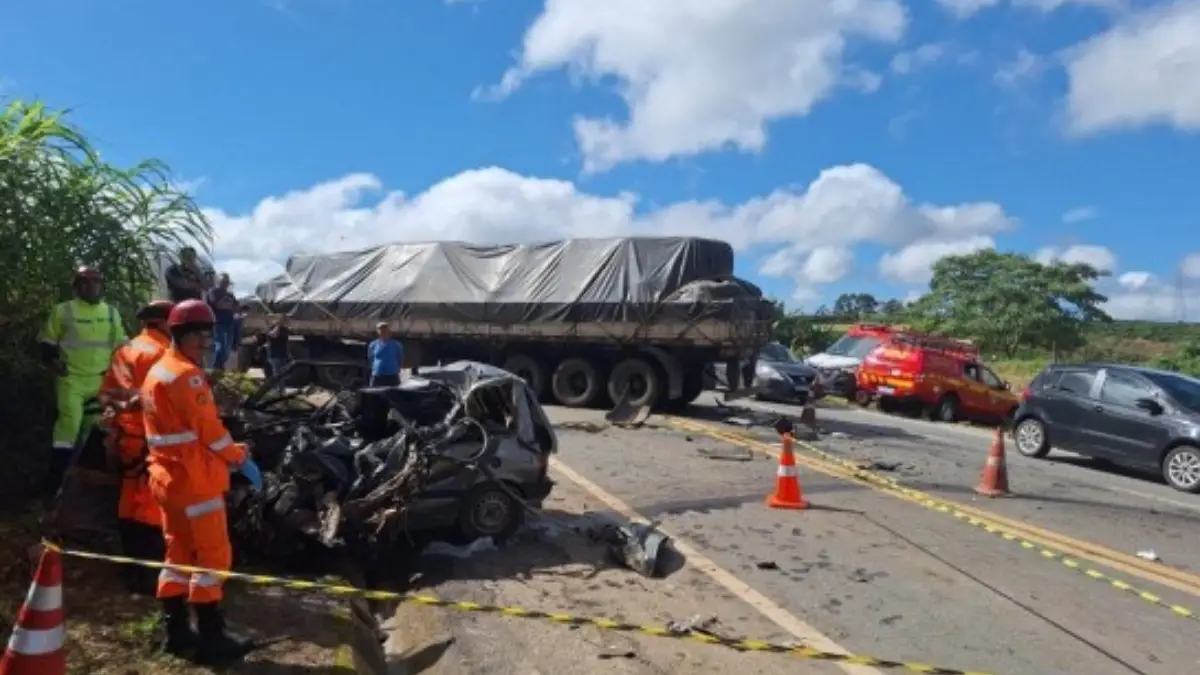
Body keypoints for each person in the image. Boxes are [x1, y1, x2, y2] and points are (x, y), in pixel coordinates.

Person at [140, 299, 262, 662]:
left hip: (166, 479)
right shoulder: (186, 376)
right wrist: (239, 455)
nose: (206, 343)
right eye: (199, 336)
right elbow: (210, 432)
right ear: (179, 334)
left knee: (177, 554)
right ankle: (212, 639)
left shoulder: (158, 371)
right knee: (212, 558)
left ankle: (177, 633)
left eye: (208, 335)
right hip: (196, 482)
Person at [99, 300, 174, 595]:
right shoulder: (163, 355)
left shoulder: (124, 351)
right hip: (151, 443)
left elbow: (106, 396)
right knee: (152, 510)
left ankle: (130, 571)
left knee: (128, 506)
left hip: (125, 442)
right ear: (166, 323)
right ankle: (148, 576)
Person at [38, 266, 128, 497]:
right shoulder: (63, 311)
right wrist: (51, 360)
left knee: (95, 431)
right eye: (87, 282)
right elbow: (47, 342)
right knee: (68, 428)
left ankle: (82, 487)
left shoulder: (110, 313)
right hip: (72, 381)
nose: (93, 287)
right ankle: (53, 484)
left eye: (97, 282)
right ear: (77, 286)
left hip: (100, 381)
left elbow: (121, 347)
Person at [205, 274, 239, 370]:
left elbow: (236, 307)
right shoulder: (213, 292)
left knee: (227, 350)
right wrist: (227, 304)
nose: (225, 284)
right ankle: (216, 368)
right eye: (223, 281)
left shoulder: (230, 295)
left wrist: (229, 305)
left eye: (227, 281)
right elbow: (219, 305)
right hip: (217, 324)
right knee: (219, 347)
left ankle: (220, 367)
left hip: (229, 324)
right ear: (218, 281)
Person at [367, 322, 403, 387]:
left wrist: (398, 368)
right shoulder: (373, 345)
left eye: (384, 329)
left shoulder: (396, 344)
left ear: (388, 331)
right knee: (374, 395)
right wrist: (374, 370)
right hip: (377, 375)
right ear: (378, 331)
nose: (382, 331)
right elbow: (370, 358)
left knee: (394, 395)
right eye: (380, 329)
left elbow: (400, 358)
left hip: (392, 375)